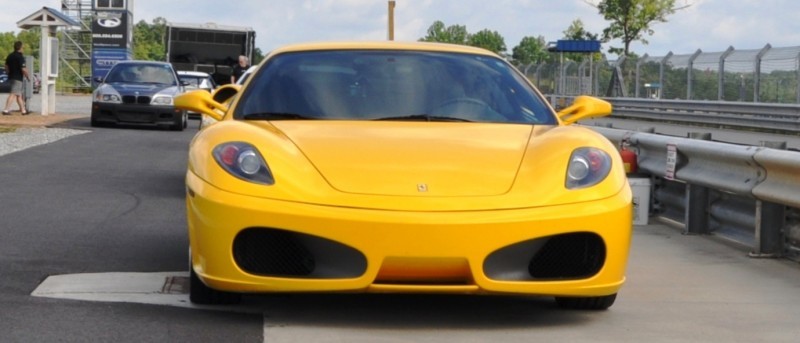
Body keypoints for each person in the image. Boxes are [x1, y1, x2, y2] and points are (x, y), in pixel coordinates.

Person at [3, 41, 31, 115]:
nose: (23, 49)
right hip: (17, 78)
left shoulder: (10, 56)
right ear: (20, 48)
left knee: (19, 95)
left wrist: (8, 72)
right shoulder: (20, 57)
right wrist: (27, 76)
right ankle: (6, 110)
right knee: (13, 93)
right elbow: (23, 69)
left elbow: (6, 66)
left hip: (11, 77)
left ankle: (23, 111)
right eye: (23, 47)